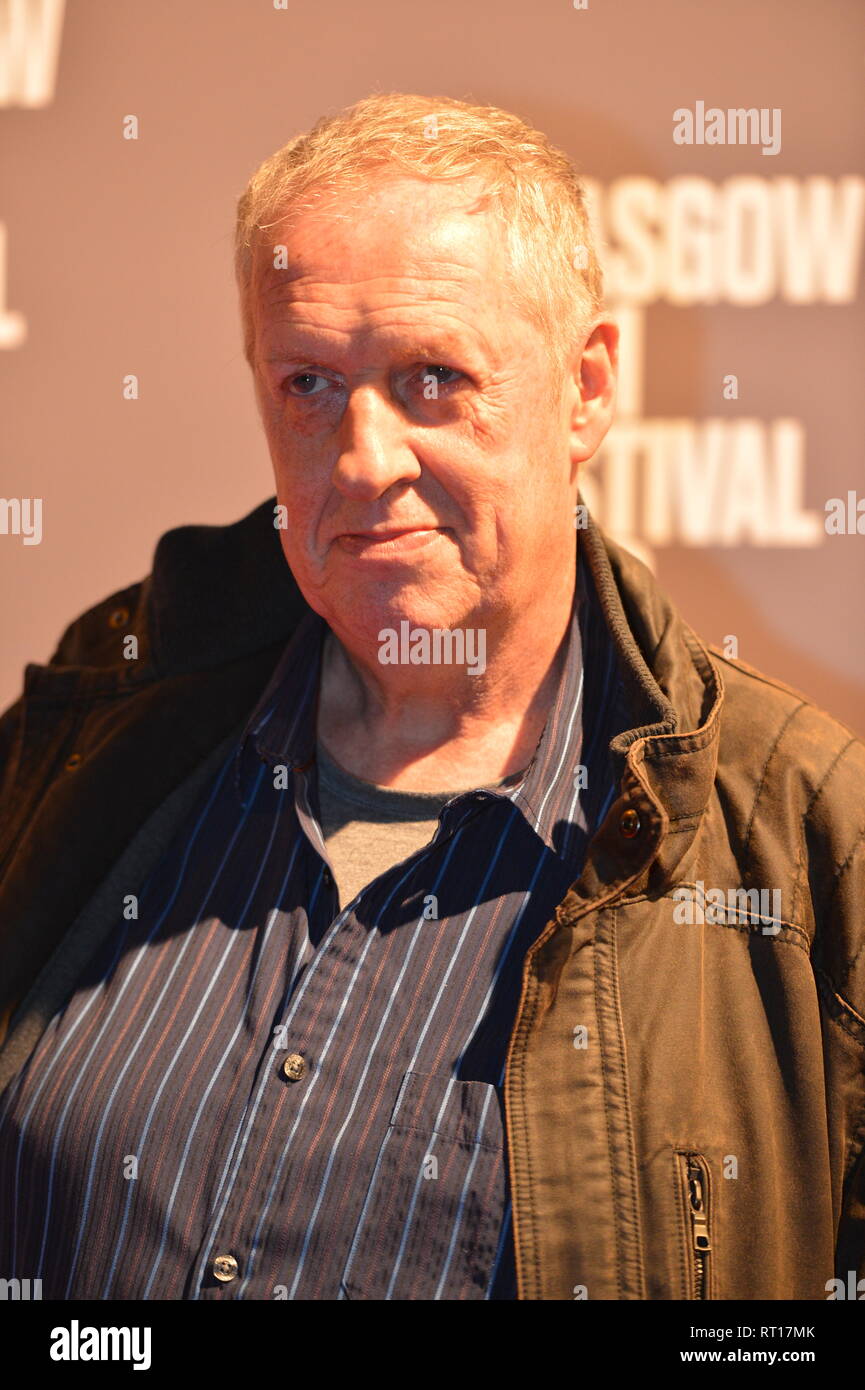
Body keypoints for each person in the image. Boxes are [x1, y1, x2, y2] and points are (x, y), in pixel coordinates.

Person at [0, 91, 862, 1302]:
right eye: (307, 383)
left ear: (587, 386)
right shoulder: (97, 729)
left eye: (431, 378)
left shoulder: (804, 839)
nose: (361, 459)